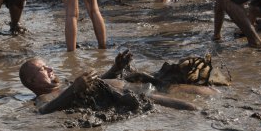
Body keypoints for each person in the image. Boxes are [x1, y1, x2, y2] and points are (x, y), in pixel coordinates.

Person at [19, 50, 228, 115]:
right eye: (42, 69)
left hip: (136, 85)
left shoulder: (66, 83)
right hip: (132, 97)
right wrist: (75, 88)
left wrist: (116, 68)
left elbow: (100, 82)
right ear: (30, 81)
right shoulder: (45, 97)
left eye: (47, 65)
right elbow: (44, 112)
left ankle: (227, 101)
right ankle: (209, 116)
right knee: (192, 108)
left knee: (206, 91)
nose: (49, 69)